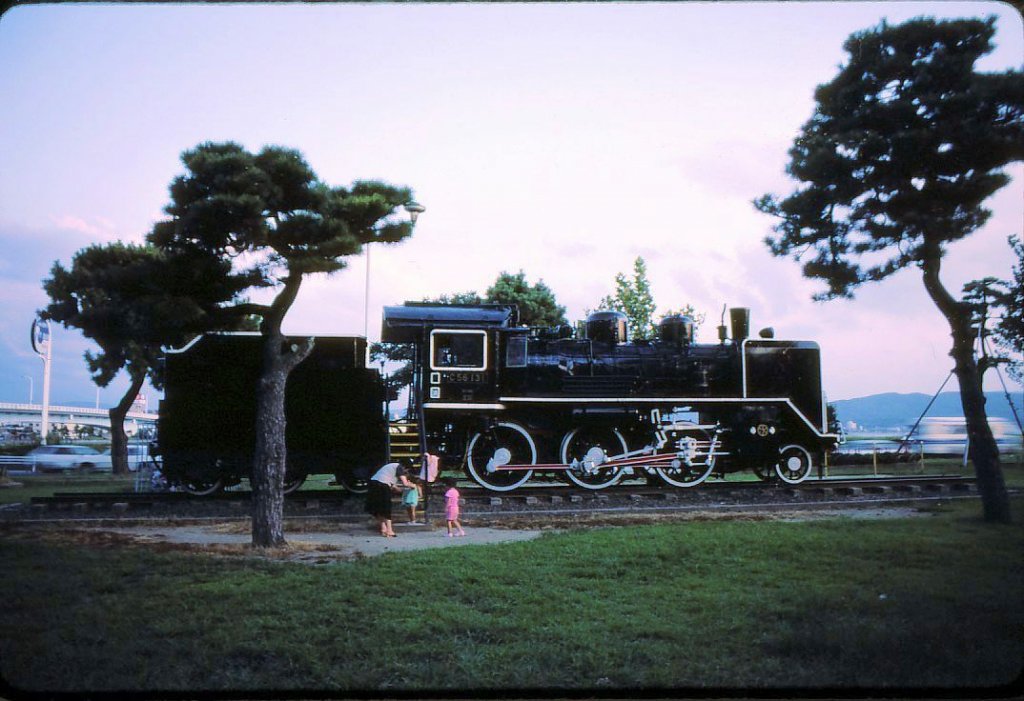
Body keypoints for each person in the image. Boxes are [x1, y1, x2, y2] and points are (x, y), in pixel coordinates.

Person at [365, 458, 414, 537]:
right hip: (382, 485)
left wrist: (401, 490)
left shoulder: (391, 467)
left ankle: (383, 528)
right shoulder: (399, 467)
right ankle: (389, 530)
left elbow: (394, 486)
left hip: (373, 484)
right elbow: (405, 483)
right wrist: (413, 485)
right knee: (386, 508)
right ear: (406, 467)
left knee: (378, 508)